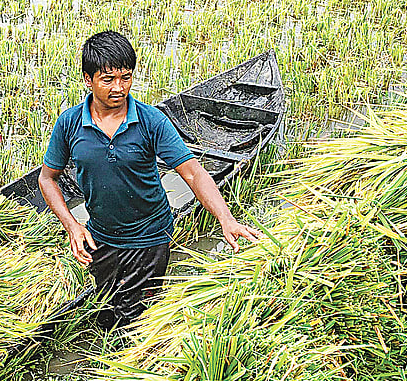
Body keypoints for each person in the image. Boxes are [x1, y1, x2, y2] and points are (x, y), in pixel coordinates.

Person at [38, 31, 263, 329]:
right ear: (87, 80)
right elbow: (47, 179)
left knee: (137, 318)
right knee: (105, 307)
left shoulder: (150, 121)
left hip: (149, 238)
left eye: (126, 78)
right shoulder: (69, 123)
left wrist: (225, 218)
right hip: (101, 235)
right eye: (108, 80)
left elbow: (193, 172)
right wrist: (72, 225)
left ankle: (128, 365)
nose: (118, 88)